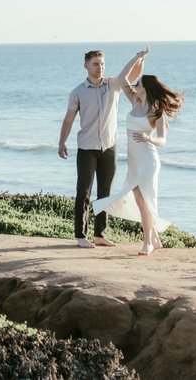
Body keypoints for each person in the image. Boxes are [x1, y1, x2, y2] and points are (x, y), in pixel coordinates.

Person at [91, 47, 184, 255]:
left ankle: (148, 242)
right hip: (134, 161)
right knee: (140, 199)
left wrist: (148, 137)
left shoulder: (156, 111)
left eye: (139, 83)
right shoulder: (134, 100)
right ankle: (156, 239)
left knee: (145, 200)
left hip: (148, 161)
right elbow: (123, 77)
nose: (135, 84)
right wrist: (137, 57)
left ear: (146, 88)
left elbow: (162, 140)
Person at [58, 49, 144, 248]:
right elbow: (69, 119)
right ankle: (81, 235)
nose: (100, 68)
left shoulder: (113, 84)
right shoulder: (77, 92)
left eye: (102, 64)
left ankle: (100, 235)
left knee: (105, 193)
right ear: (86, 66)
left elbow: (131, 75)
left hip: (109, 147)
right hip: (87, 148)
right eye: (96, 64)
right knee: (83, 192)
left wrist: (139, 58)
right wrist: (62, 142)